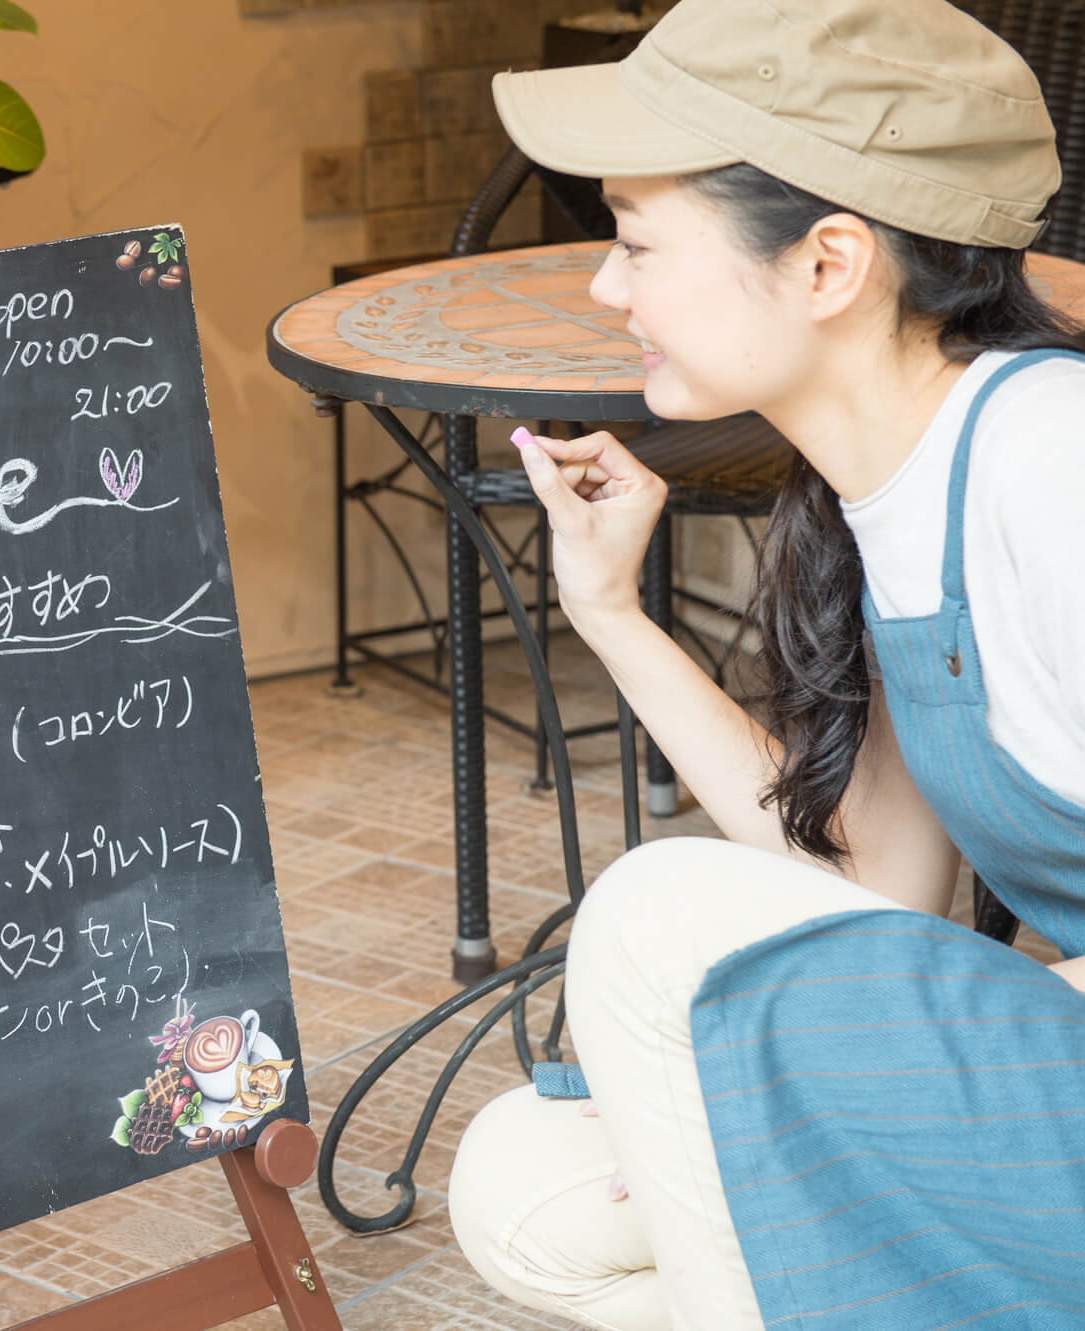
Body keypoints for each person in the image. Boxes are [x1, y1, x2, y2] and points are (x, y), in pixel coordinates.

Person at [442, 2, 1085, 1328]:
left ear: (828, 263)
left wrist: (920, 1060)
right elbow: (875, 888)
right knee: (525, 1187)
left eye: (633, 240)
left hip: (1054, 1074)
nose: (606, 288)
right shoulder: (885, 494)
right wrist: (611, 608)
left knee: (656, 915)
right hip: (1042, 1074)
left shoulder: (1051, 463)